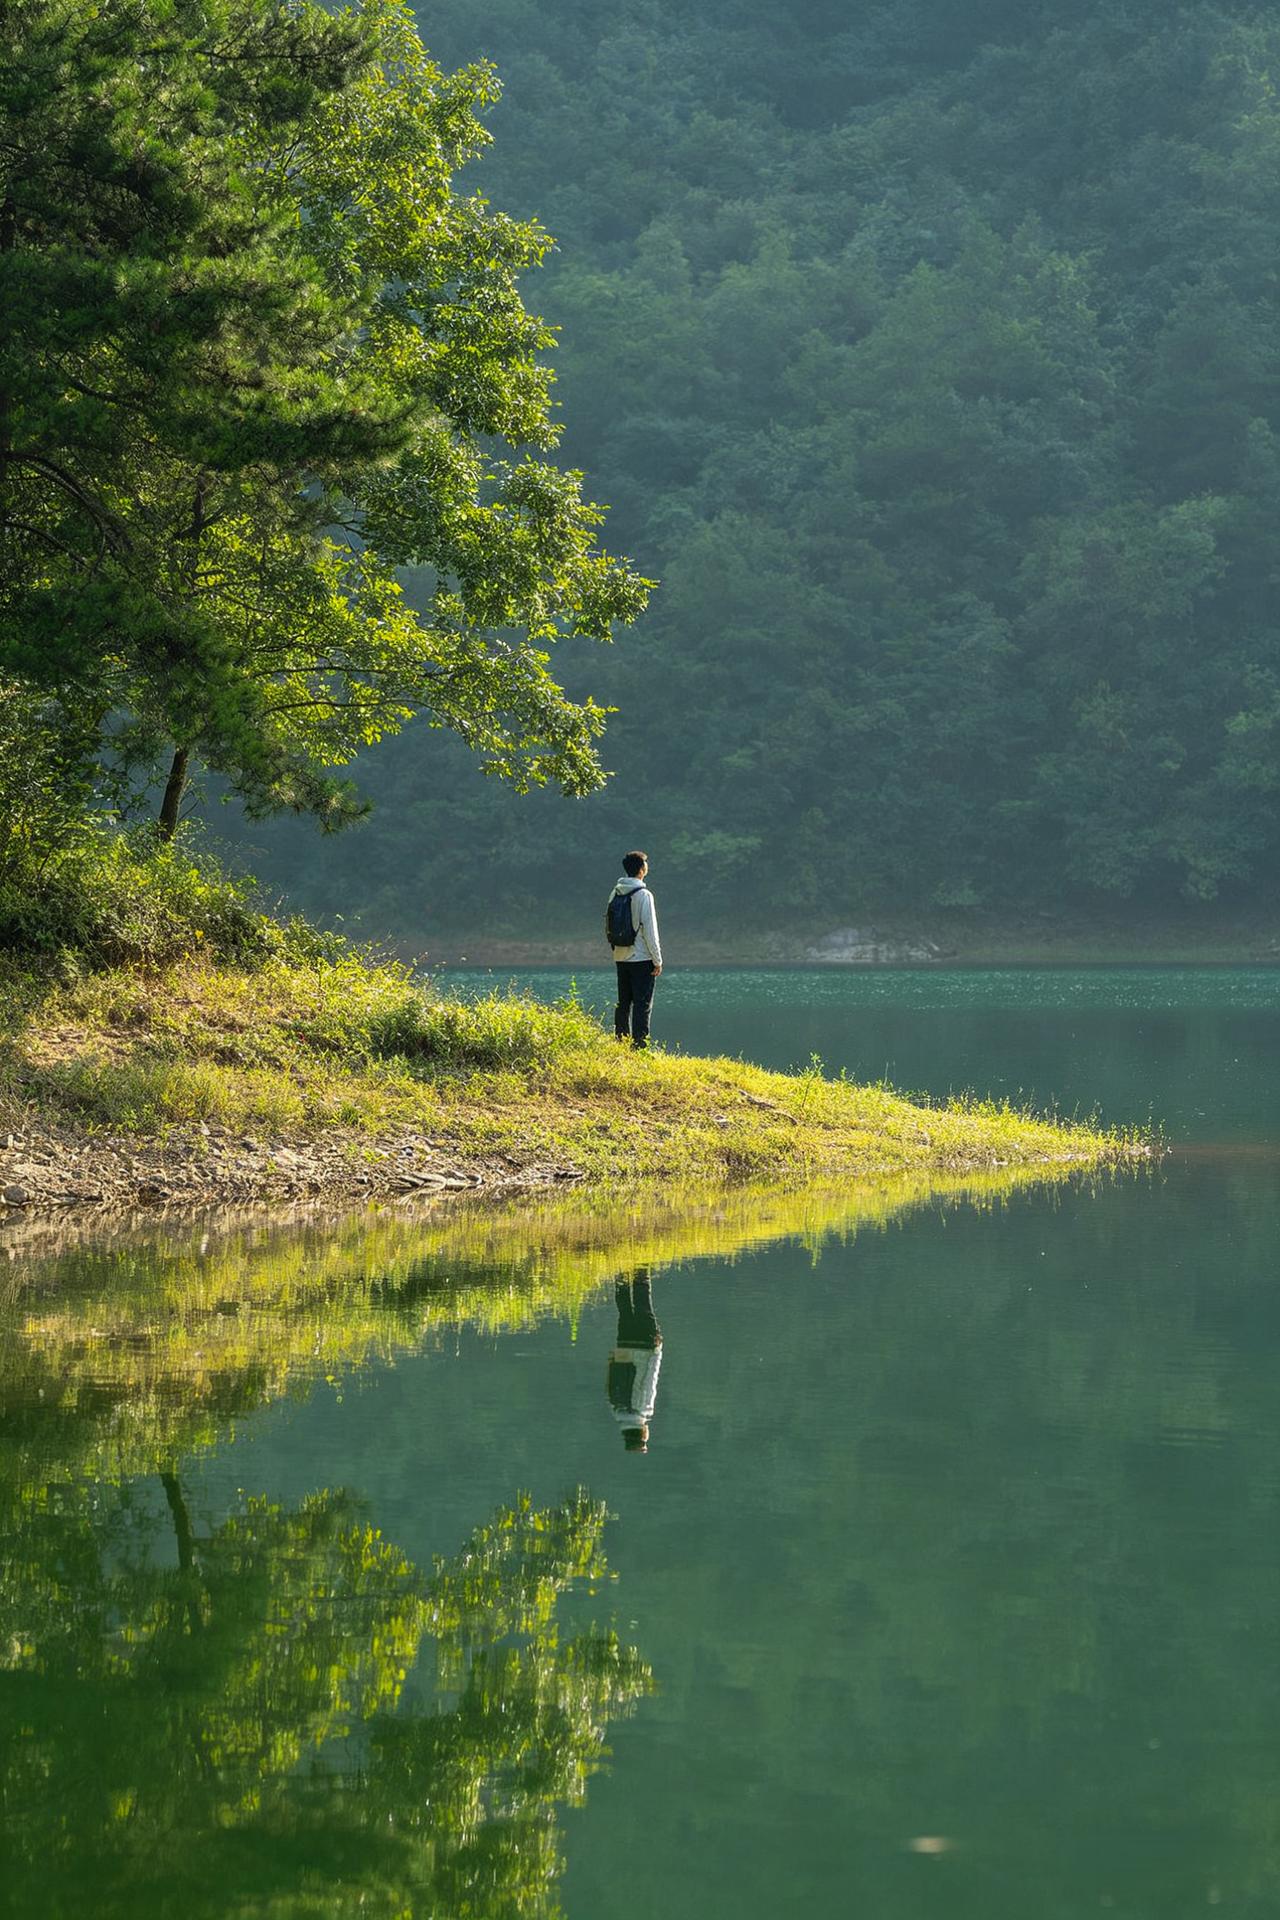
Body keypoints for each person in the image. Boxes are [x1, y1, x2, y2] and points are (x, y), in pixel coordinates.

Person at [606, 850, 663, 1048]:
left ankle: (621, 1042)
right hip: (641, 958)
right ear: (641, 870)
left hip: (621, 955)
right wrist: (657, 960)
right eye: (646, 864)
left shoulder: (615, 892)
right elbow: (650, 931)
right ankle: (640, 1046)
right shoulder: (643, 895)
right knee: (642, 1004)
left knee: (623, 1003)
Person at [606, 1268, 663, 1452]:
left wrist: (657, 1351)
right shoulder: (616, 1408)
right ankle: (620, 1271)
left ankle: (641, 1269)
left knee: (643, 1302)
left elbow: (650, 1378)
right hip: (623, 1348)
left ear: (642, 1434)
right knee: (624, 1309)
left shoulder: (644, 1410)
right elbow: (609, 1381)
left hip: (645, 1346)